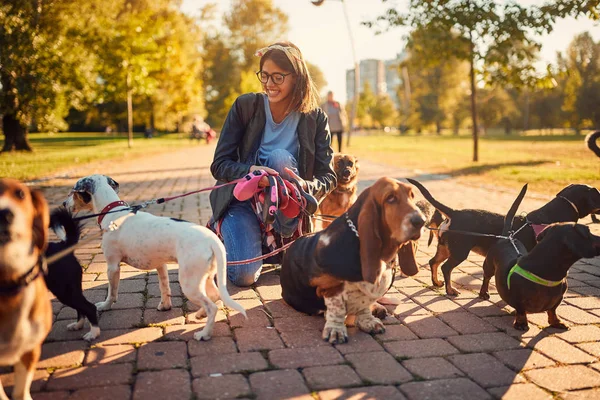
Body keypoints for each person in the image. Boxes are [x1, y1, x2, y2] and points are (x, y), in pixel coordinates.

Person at [209, 41, 336, 287]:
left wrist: (305, 186)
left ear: (297, 78)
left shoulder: (315, 118)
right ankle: (227, 230)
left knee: (280, 158)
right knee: (244, 276)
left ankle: (281, 238)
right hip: (242, 202)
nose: (269, 84)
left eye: (278, 77)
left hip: (287, 210)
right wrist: (249, 171)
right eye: (264, 75)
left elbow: (328, 177)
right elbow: (219, 164)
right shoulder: (246, 106)